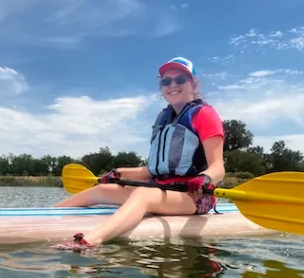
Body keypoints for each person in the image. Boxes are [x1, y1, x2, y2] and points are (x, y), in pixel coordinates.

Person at [53, 56, 226, 252]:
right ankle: (48, 214)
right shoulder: (163, 119)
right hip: (162, 190)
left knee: (143, 195)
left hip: (195, 196)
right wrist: (119, 173)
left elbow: (218, 167)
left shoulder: (204, 114)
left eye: (180, 80)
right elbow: (152, 171)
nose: (172, 85)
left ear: (193, 84)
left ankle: (91, 241)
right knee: (98, 191)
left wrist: (205, 177)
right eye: (166, 81)